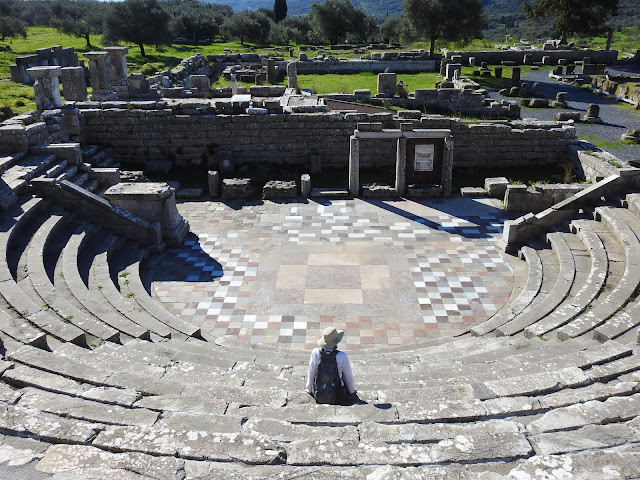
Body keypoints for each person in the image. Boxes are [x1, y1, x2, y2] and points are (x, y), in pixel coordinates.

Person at [305, 326, 357, 405]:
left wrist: (308, 388)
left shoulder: (315, 352)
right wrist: (352, 389)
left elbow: (311, 371)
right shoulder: (341, 355)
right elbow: (348, 375)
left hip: (319, 391)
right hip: (337, 393)